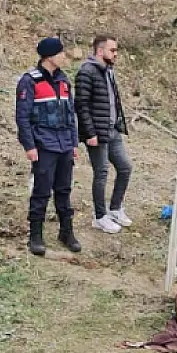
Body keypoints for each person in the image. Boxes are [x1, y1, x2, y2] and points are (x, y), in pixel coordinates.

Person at [16, 37, 81, 256]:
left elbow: (71, 115)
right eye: (61, 53)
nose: (65, 56)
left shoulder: (64, 81)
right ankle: (36, 235)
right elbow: (22, 117)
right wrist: (29, 145)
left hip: (64, 145)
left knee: (64, 190)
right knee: (41, 191)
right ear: (49, 57)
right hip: (43, 144)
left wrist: (74, 143)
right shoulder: (29, 81)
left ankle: (66, 231)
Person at [75, 35, 134, 234]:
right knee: (101, 173)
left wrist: (118, 124)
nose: (116, 54)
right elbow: (81, 105)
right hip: (97, 133)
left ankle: (115, 208)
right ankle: (100, 217)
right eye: (112, 50)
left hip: (112, 129)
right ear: (100, 51)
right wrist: (90, 133)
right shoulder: (86, 71)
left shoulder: (108, 71)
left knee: (125, 167)